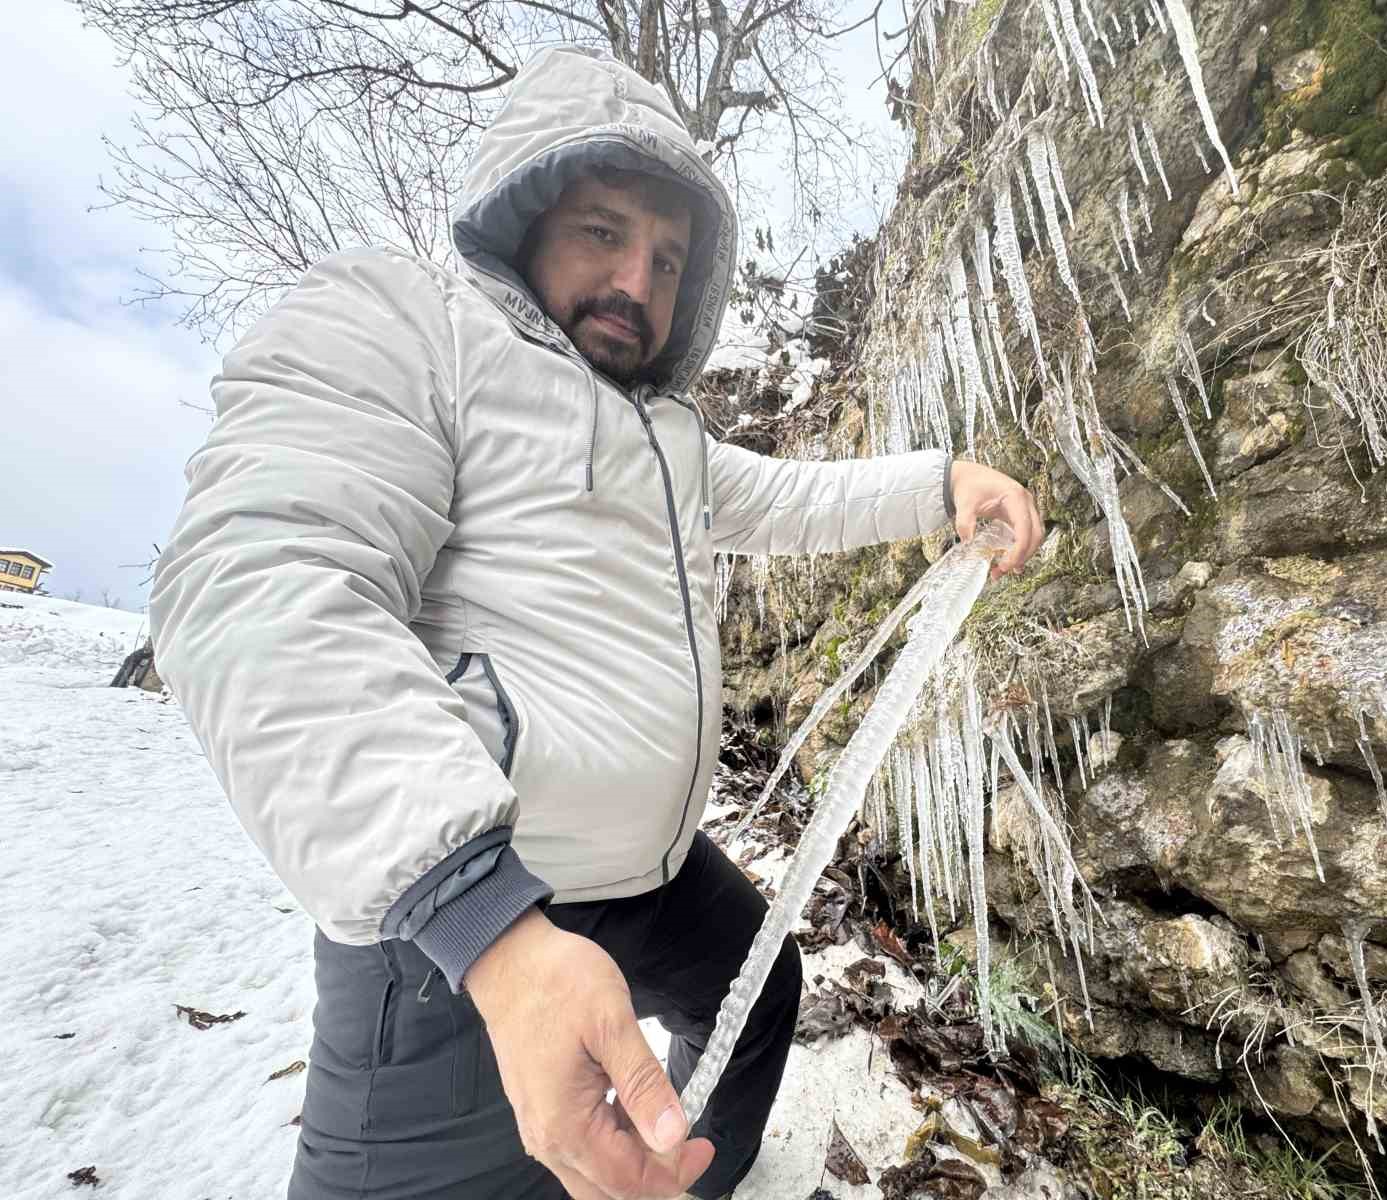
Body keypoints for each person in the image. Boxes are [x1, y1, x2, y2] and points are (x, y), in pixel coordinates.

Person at [151, 45, 1043, 1200]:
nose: (638, 281)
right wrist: (487, 929)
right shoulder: (406, 324)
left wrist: (942, 483)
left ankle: (694, 1181)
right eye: (602, 231)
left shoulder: (661, 437)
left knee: (757, 988)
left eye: (669, 257)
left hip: (654, 878)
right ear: (524, 216)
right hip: (462, 930)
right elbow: (259, 582)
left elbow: (784, 497)